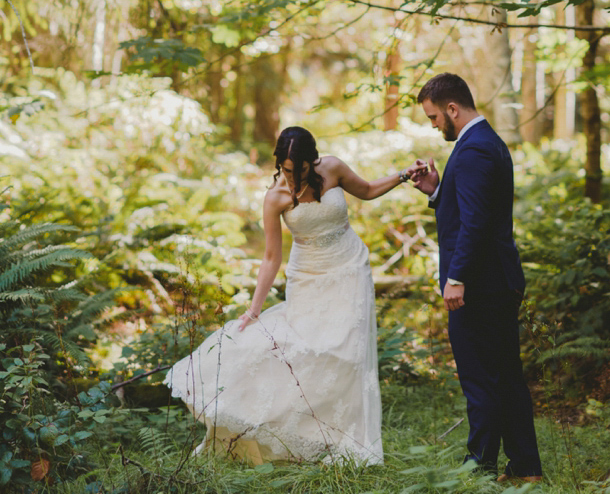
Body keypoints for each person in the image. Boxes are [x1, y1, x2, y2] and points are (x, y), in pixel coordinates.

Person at [166, 126, 420, 464]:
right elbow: (271, 256)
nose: (292, 177)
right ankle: (299, 434)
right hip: (308, 275)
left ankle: (347, 441)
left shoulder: (333, 168)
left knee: (349, 353)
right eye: (285, 170)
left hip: (349, 266)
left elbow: (369, 189)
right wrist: (255, 309)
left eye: (298, 170)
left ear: (313, 161)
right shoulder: (275, 197)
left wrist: (405, 175)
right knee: (310, 348)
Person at [408, 73, 543, 484]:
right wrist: (436, 191)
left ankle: (480, 466)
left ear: (452, 109)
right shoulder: (486, 143)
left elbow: (476, 224)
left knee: (480, 378)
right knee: (505, 376)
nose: (433, 125)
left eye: (434, 117)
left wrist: (457, 277)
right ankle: (525, 467)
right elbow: (469, 209)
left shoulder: (473, 152)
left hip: (481, 285)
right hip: (497, 280)